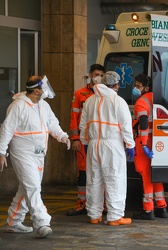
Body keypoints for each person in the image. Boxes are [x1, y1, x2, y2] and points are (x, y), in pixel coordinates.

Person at [0, 75, 71, 238]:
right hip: (22, 152)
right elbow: (7, 129)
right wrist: (2, 152)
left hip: (39, 152)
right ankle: (41, 222)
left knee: (27, 187)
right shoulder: (17, 106)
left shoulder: (44, 106)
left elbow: (52, 124)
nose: (47, 90)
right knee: (32, 187)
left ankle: (14, 221)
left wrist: (63, 136)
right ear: (37, 90)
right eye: (44, 87)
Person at [79, 71, 135, 226]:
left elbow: (83, 124)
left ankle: (94, 215)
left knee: (94, 180)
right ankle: (115, 217)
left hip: (93, 145)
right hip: (112, 145)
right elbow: (125, 127)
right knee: (115, 179)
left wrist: (85, 142)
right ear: (116, 85)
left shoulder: (90, 101)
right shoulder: (118, 101)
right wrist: (130, 145)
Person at [67, 64, 105, 216]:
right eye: (96, 74)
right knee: (83, 172)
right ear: (89, 75)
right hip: (83, 140)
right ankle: (81, 203)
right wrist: (75, 138)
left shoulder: (104, 94)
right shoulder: (80, 94)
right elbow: (74, 118)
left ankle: (103, 204)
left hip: (101, 140)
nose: (98, 78)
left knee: (102, 172)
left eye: (101, 75)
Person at [132, 74, 168, 220]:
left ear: (146, 87)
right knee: (156, 175)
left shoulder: (141, 102)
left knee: (146, 175)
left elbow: (144, 123)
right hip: (158, 142)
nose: (135, 88)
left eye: (138, 86)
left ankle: (148, 210)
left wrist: (144, 144)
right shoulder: (158, 98)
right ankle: (162, 206)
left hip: (145, 143)